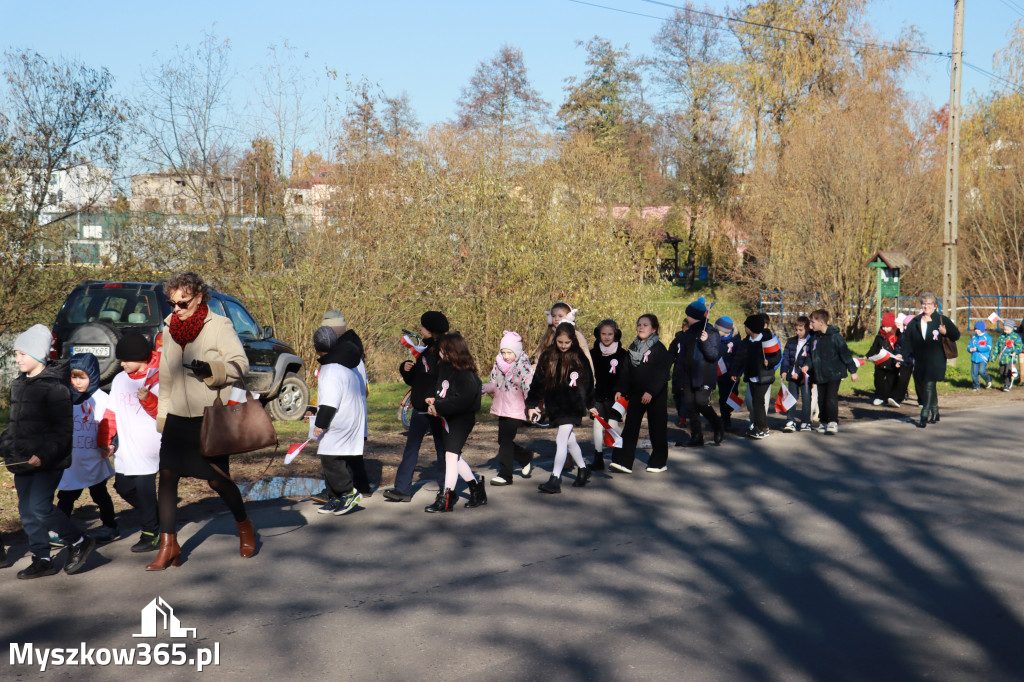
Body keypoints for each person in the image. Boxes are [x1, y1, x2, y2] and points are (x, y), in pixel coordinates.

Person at [149, 272, 255, 570]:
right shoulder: (170, 327)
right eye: (171, 303)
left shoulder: (220, 325)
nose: (176, 309)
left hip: (209, 417)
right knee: (167, 477)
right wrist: (162, 415)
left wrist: (212, 369)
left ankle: (244, 525)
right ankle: (168, 544)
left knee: (217, 480)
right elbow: (167, 375)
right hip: (176, 418)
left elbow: (241, 364)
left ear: (199, 297)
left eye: (182, 303)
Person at [0, 324, 96, 579]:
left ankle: (78, 541)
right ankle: (42, 558)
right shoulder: (19, 384)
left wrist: (43, 454)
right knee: (26, 511)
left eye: (21, 354)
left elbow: (62, 431)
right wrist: (5, 446)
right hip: (21, 460)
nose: (17, 358)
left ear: (37, 355)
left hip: (48, 461)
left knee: (40, 507)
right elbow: (15, 426)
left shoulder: (56, 387)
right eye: (16, 354)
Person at [97, 333, 163, 554]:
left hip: (149, 448)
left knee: (145, 491)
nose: (121, 363)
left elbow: (161, 413)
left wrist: (148, 399)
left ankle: (151, 533)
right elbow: (111, 412)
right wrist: (104, 439)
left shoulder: (158, 377)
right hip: (126, 449)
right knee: (123, 487)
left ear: (140, 357)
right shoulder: (119, 380)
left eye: (125, 359)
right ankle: (158, 516)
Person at [383, 311, 449, 502]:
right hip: (420, 408)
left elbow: (443, 380)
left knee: (442, 449)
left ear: (432, 330)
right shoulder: (425, 351)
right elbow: (416, 381)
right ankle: (402, 489)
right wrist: (406, 369)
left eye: (423, 327)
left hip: (437, 408)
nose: (420, 330)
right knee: (411, 448)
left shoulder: (443, 351)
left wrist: (438, 401)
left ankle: (446, 488)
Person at [54, 354, 117, 545]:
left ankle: (110, 526)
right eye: (74, 377)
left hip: (93, 458)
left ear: (93, 376)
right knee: (65, 496)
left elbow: (111, 424)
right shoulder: (64, 398)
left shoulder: (102, 399)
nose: (77, 382)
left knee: (100, 495)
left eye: (82, 377)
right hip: (71, 461)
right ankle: (59, 531)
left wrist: (112, 443)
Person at [526, 322, 597, 492]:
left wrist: (591, 404)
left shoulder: (580, 358)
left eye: (567, 342)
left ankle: (555, 479)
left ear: (573, 340)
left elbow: (587, 384)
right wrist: (531, 404)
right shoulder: (547, 356)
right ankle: (583, 469)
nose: (564, 346)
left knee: (561, 440)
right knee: (569, 439)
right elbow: (538, 382)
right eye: (560, 342)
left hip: (573, 405)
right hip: (555, 405)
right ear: (555, 339)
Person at [424, 332, 486, 512]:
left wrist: (440, 406)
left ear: (454, 351)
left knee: (450, 455)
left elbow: (462, 401)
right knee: (454, 457)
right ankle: (476, 488)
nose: (440, 354)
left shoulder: (466, 374)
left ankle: (446, 496)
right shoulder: (444, 368)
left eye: (444, 350)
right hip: (448, 417)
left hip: (462, 419)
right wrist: (434, 402)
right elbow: (443, 392)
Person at [311, 326, 367, 516]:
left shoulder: (330, 369)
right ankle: (334, 497)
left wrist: (320, 424)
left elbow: (329, 402)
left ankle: (348, 492)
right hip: (351, 416)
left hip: (340, 419)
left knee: (330, 458)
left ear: (317, 348)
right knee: (336, 456)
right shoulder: (345, 363)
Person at [609, 314, 671, 474]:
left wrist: (651, 391)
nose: (641, 327)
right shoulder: (633, 347)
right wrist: (620, 389)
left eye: (645, 325)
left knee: (657, 429)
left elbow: (662, 374)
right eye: (639, 325)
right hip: (636, 393)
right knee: (630, 427)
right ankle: (623, 461)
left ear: (654, 329)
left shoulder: (659, 349)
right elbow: (625, 371)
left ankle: (659, 462)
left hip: (655, 395)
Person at [482, 331, 535, 486]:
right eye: (503, 352)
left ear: (517, 352)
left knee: (505, 440)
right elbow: (494, 383)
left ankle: (505, 475)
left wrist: (531, 407)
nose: (505, 356)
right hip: (501, 407)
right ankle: (525, 456)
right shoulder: (498, 364)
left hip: (516, 408)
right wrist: (484, 388)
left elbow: (528, 388)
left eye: (509, 353)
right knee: (502, 440)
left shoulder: (524, 366)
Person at [901, 292, 960, 427]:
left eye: (929, 304)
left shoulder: (942, 319)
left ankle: (924, 414)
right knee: (929, 385)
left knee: (929, 384)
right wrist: (901, 355)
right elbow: (907, 341)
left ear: (934, 306)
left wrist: (946, 333)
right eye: (923, 303)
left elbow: (956, 335)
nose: (926, 306)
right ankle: (935, 411)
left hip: (936, 360)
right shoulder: (915, 321)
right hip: (921, 360)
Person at [673, 297, 724, 447]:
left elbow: (713, 355)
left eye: (688, 315)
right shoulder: (687, 334)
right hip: (688, 374)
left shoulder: (710, 332)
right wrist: (678, 377)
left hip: (704, 375)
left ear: (693, 316)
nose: (686, 317)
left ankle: (717, 424)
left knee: (701, 402)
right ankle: (696, 436)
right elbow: (682, 357)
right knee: (690, 406)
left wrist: (706, 341)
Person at [799, 310, 858, 435]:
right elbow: (811, 354)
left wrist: (853, 371)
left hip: (834, 373)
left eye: (812, 322)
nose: (811, 324)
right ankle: (824, 421)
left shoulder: (835, 337)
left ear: (821, 322)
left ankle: (832, 422)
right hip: (819, 374)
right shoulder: (814, 338)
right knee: (821, 399)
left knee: (831, 398)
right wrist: (807, 365)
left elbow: (845, 354)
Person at [731, 315, 781, 439]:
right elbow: (739, 359)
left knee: (758, 402)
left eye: (746, 326)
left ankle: (762, 428)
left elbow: (777, 357)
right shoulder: (746, 342)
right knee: (755, 402)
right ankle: (760, 426)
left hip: (764, 377)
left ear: (751, 328)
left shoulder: (767, 339)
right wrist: (735, 372)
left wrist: (769, 362)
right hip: (752, 377)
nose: (745, 328)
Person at [590, 319, 627, 470]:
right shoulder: (593, 353)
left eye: (610, 334)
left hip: (616, 396)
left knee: (611, 425)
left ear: (616, 335)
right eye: (603, 334)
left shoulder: (622, 354)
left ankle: (626, 439)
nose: (606, 337)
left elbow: (625, 375)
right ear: (598, 335)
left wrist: (621, 389)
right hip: (598, 395)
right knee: (597, 424)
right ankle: (598, 458)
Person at [779, 316, 813, 432]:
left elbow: (810, 360)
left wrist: (800, 373)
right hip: (792, 375)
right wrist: (784, 370)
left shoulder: (811, 342)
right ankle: (790, 421)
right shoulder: (791, 341)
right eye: (796, 330)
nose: (798, 332)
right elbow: (786, 358)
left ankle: (805, 422)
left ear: (807, 328)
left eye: (800, 330)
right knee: (791, 398)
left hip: (805, 377)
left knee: (806, 399)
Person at [867, 313, 902, 407]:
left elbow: (899, 348)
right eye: (884, 327)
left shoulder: (897, 335)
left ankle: (889, 397)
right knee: (878, 380)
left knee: (891, 380)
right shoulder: (880, 336)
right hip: (880, 362)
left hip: (892, 363)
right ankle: (880, 396)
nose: (885, 329)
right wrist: (868, 355)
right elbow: (874, 348)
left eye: (888, 327)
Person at [714, 317, 738, 431]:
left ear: (725, 330)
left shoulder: (736, 340)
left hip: (733, 375)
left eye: (717, 328)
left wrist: (737, 372)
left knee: (733, 397)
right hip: (721, 374)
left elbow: (740, 357)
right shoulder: (716, 339)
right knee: (723, 397)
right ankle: (725, 419)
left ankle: (728, 413)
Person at [667, 317, 692, 428]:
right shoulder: (677, 339)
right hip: (677, 370)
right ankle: (680, 414)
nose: (686, 330)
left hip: (689, 371)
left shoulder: (695, 339)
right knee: (677, 394)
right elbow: (671, 354)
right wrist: (666, 368)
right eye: (684, 328)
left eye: (688, 328)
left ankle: (683, 418)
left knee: (684, 396)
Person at [994, 319, 1022, 392]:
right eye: (1005, 329)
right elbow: (997, 346)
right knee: (1001, 372)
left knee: (1007, 372)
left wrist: (1015, 351)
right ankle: (1010, 378)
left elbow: (1020, 346)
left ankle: (1007, 385)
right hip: (1002, 358)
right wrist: (994, 356)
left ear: (1011, 329)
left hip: (1010, 358)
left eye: (1007, 329)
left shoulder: (1015, 337)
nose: (1005, 331)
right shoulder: (1001, 336)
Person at [966, 321, 994, 391]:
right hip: (974, 358)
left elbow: (988, 347)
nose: (975, 331)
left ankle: (988, 379)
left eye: (977, 329)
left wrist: (978, 348)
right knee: (974, 374)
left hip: (983, 358)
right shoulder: (973, 337)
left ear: (981, 329)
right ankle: (976, 386)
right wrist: (970, 349)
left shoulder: (987, 337)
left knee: (981, 371)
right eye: (975, 329)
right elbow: (969, 346)